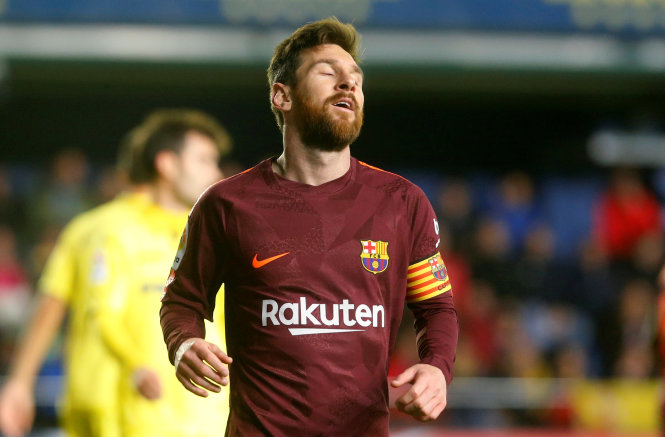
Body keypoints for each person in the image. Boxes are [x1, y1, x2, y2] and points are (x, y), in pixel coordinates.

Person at [160, 17, 458, 436]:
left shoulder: (402, 202)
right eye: (327, 73)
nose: (348, 84)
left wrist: (437, 368)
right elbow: (182, 300)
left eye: (355, 78)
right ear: (282, 95)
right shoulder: (226, 204)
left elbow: (436, 308)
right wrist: (184, 343)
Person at [0, 108, 232, 437]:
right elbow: (50, 304)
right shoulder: (98, 230)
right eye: (205, 160)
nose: (216, 173)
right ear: (167, 164)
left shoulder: (212, 235)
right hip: (112, 416)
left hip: (202, 416)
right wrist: (20, 383)